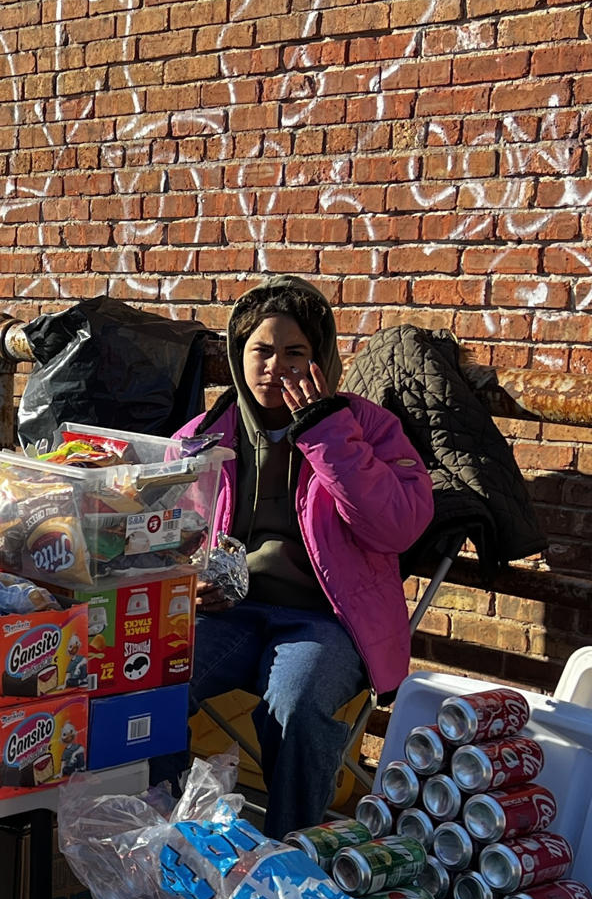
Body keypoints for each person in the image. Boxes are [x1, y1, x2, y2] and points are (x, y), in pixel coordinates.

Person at [152, 276, 433, 836]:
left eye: (294, 352)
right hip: (229, 613)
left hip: (324, 621)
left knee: (298, 705)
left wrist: (326, 431)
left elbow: (399, 527)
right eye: (261, 350)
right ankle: (167, 832)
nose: (275, 367)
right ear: (238, 355)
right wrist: (187, 583)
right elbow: (165, 538)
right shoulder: (199, 438)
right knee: (153, 681)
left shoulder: (369, 428)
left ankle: (293, 849)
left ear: (322, 358)